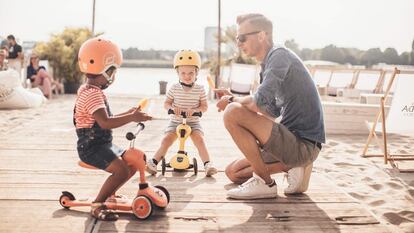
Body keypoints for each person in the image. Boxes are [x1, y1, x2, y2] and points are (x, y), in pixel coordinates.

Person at [215, 14, 325, 199]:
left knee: (232, 112)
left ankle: (266, 183)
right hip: (289, 140)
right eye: (237, 39)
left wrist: (232, 101)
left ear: (261, 35)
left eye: (242, 38)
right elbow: (270, 112)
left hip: (304, 143)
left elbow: (256, 102)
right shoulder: (266, 66)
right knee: (232, 173)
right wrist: (234, 98)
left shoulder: (279, 55)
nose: (239, 43)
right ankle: (291, 165)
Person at [74, 37, 152, 221]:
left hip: (103, 144)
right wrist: (132, 117)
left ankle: (111, 193)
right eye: (113, 71)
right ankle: (97, 204)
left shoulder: (90, 90)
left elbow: (106, 119)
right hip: (91, 148)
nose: (114, 76)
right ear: (105, 70)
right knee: (122, 171)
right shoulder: (92, 94)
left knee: (131, 164)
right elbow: (105, 123)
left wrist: (129, 112)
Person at [146, 50, 218, 177]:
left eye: (191, 73)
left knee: (199, 140)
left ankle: (208, 164)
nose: (187, 76)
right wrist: (172, 108)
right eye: (183, 73)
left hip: (193, 122)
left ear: (197, 73)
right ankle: (153, 162)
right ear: (177, 73)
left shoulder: (200, 89)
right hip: (176, 121)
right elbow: (166, 103)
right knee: (166, 140)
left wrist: (196, 111)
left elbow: (204, 107)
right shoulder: (174, 88)